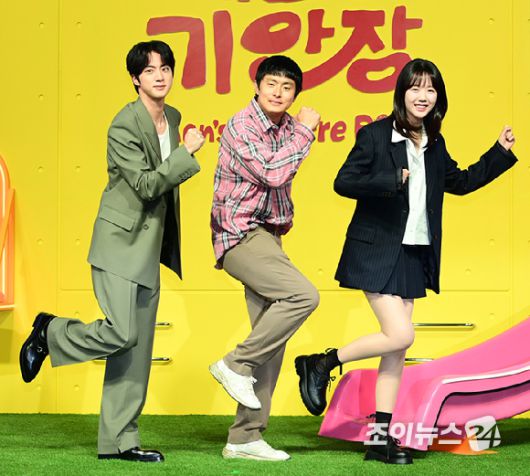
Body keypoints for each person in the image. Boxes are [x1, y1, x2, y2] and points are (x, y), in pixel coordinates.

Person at [294, 58, 517, 465]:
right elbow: (343, 181)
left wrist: (499, 152)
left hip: (414, 253)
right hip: (375, 250)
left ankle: (379, 438)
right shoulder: (376, 135)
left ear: (438, 98)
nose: (423, 96)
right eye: (416, 88)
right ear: (402, 92)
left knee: (395, 351)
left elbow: (461, 182)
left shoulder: (435, 143)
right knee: (400, 335)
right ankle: (323, 362)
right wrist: (391, 180)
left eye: (431, 89)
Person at [19, 40, 204, 463]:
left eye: (165, 68)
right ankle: (50, 332)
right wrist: (186, 153)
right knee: (122, 333)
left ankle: (120, 441)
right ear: (135, 79)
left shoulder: (173, 118)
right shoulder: (123, 125)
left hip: (150, 245)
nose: (159, 75)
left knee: (136, 351)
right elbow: (146, 185)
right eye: (150, 70)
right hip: (119, 243)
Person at [208, 55, 320, 461]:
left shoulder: (286, 128)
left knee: (271, 342)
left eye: (287, 87)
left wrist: (297, 131)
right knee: (303, 296)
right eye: (271, 84)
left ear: (295, 94)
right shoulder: (242, 125)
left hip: (268, 238)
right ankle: (234, 363)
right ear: (257, 87)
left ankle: (244, 438)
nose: (278, 92)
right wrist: (306, 131)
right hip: (240, 235)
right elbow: (273, 174)